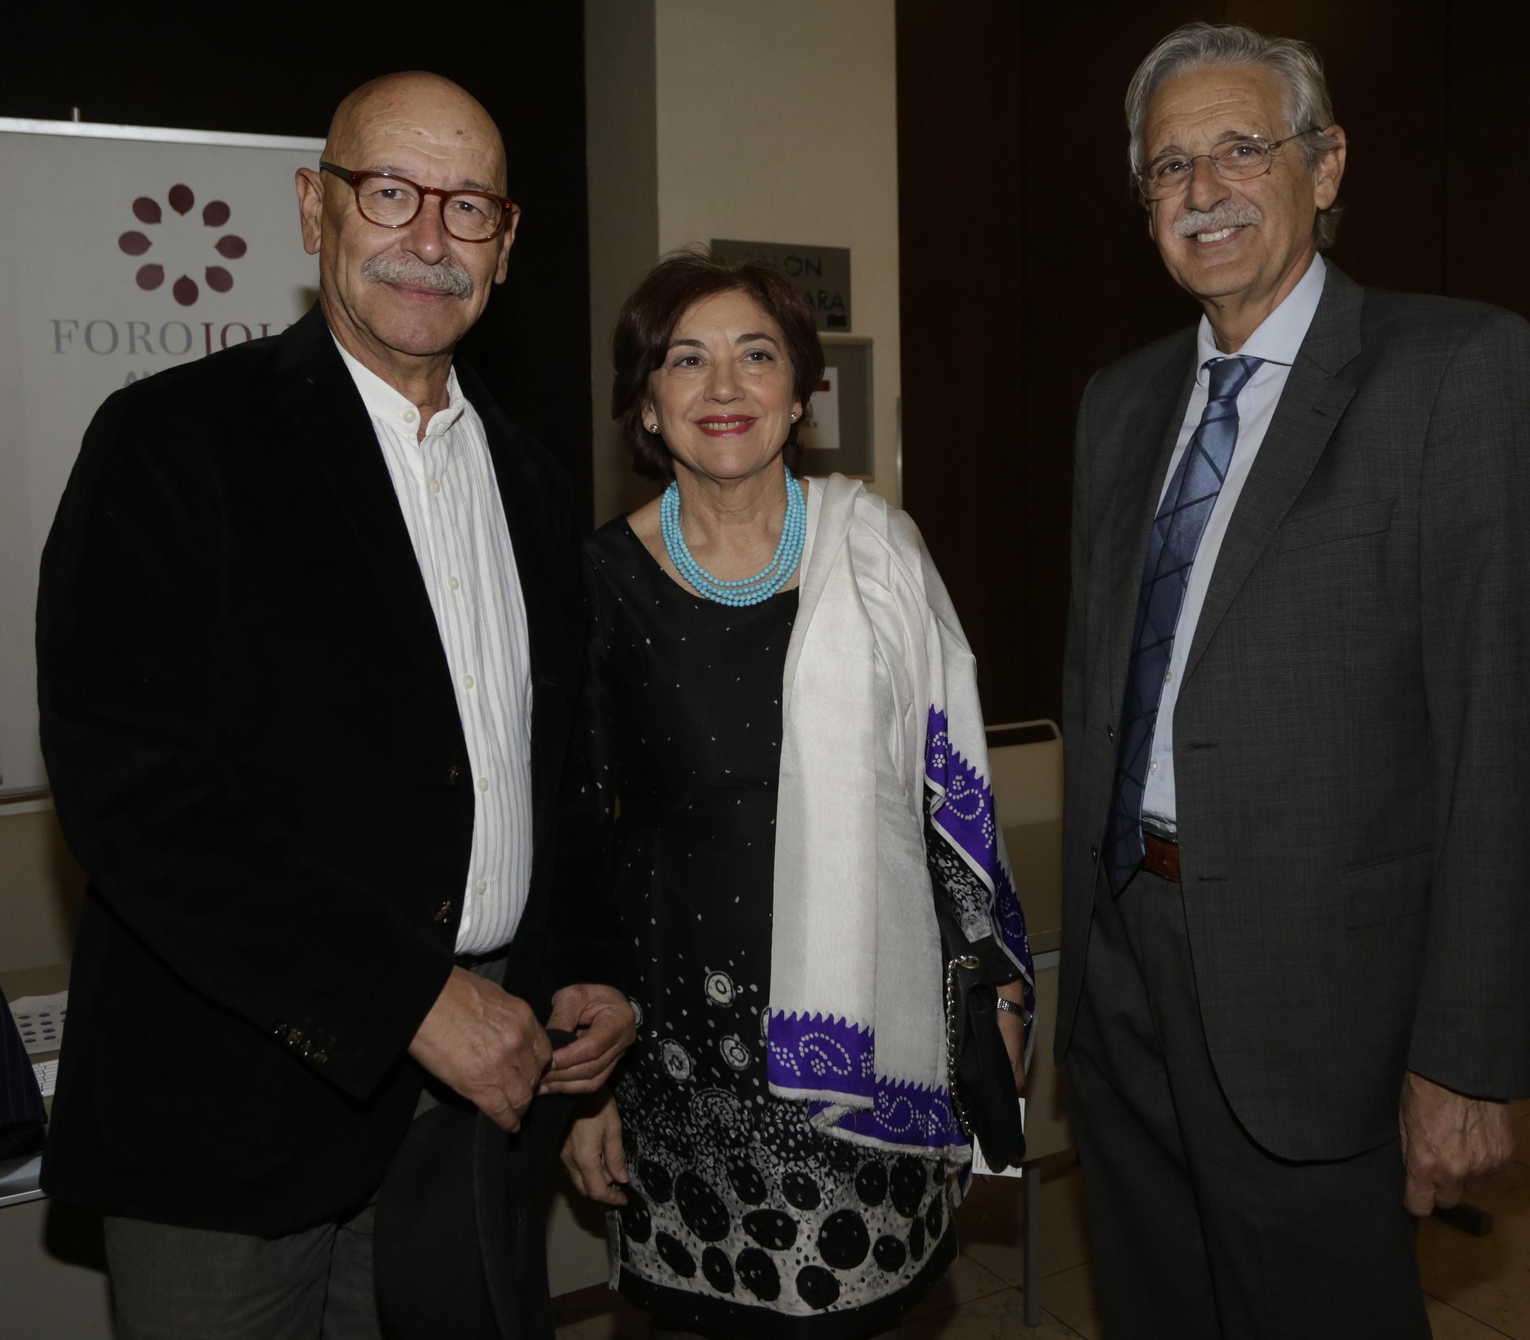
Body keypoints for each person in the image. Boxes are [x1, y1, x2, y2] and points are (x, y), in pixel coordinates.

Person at [36, 71, 633, 1339]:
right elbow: (134, 793)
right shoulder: (173, 441)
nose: (428, 236)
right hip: (232, 1106)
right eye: (391, 192)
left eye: (467, 206)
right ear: (316, 207)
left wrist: (585, 966)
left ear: (508, 242)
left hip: (474, 1108)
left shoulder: (531, 482)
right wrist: (408, 998)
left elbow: (554, 769)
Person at [1052, 21, 1530, 1338]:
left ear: (1327, 166)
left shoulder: (1456, 370)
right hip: (1124, 966)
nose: (1205, 191)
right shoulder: (1117, 403)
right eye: (1169, 166)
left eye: (1243, 148)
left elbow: (1501, 740)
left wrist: (1464, 1051)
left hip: (1323, 1000)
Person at [557, 253, 1033, 1339]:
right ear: (646, 401)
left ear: (801, 389)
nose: (723, 387)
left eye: (755, 355)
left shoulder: (881, 554)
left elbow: (950, 806)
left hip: (875, 1037)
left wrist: (998, 994)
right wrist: (585, 1090)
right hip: (681, 1065)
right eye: (687, 359)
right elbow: (581, 839)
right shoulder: (596, 583)